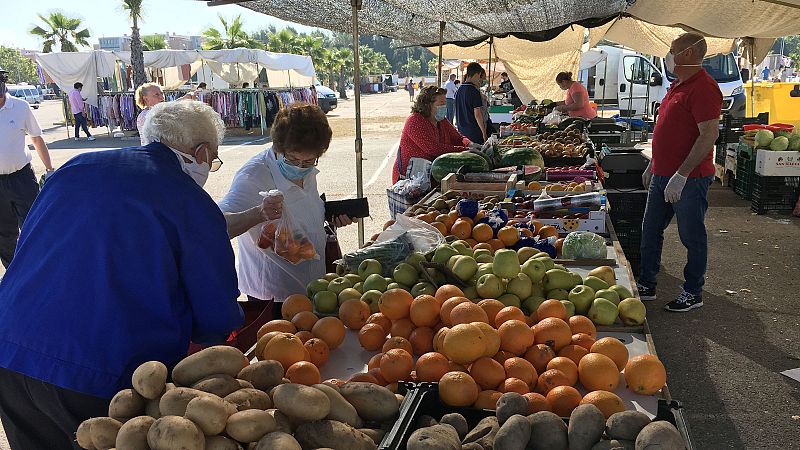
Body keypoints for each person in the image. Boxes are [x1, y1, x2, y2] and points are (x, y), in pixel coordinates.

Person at [0, 100, 245, 449]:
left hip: (10, 349)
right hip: (96, 371)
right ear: (201, 152)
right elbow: (216, 312)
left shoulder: (77, 166)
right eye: (214, 159)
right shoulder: (187, 198)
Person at [219, 103, 354, 319]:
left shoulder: (305, 170)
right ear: (278, 147)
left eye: (309, 160)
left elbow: (303, 209)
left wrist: (329, 217)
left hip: (311, 288)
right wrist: (258, 213)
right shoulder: (253, 176)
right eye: (292, 158)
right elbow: (215, 225)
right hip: (273, 296)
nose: (300, 166)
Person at [638, 33, 721, 312]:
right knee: (650, 230)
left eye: (672, 50)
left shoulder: (704, 87)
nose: (669, 55)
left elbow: (709, 134)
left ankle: (692, 291)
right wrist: (654, 163)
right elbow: (667, 130)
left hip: (690, 178)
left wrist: (682, 174)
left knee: (691, 235)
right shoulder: (677, 86)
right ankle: (647, 283)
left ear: (687, 53)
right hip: (662, 174)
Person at [0, 65, 54, 268]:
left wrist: (49, 170)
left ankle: (41, 268)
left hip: (22, 177)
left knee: (34, 225)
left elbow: (37, 139)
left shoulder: (21, 107)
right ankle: (14, 275)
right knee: (5, 233)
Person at [393, 86, 477, 183]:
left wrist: (469, 144)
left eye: (445, 103)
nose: (444, 107)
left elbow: (458, 138)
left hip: (430, 176)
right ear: (427, 104)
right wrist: (466, 151)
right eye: (441, 104)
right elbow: (433, 149)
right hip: (410, 179)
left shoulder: (441, 120)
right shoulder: (415, 121)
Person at [455, 62, 488, 144]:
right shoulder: (474, 91)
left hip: (462, 131)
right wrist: (484, 132)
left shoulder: (459, 90)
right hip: (474, 132)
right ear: (477, 74)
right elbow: (478, 114)